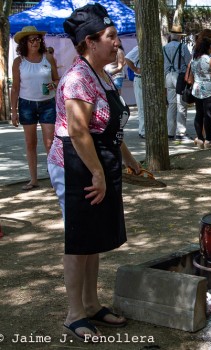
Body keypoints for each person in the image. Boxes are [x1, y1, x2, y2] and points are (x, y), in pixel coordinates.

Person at [47, 3, 141, 341]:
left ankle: (91, 304)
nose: (118, 42)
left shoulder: (102, 74)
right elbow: (78, 131)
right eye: (112, 37)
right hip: (76, 165)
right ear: (90, 41)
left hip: (98, 161)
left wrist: (127, 156)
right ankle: (74, 314)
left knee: (94, 239)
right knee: (79, 239)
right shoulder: (77, 79)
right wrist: (98, 175)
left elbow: (110, 124)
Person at [10, 26, 59, 190]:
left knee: (50, 142)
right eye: (32, 40)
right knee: (30, 142)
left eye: (38, 39)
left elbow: (57, 80)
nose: (35, 42)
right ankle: (34, 179)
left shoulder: (48, 58)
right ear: (24, 42)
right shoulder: (19, 62)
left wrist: (52, 85)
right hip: (26, 104)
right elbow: (15, 88)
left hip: (48, 104)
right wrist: (13, 111)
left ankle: (54, 177)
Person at [163, 24, 191, 141]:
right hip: (179, 76)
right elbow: (189, 62)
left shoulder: (164, 48)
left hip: (168, 76)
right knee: (181, 104)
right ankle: (181, 133)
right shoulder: (183, 47)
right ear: (179, 36)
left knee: (171, 105)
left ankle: (170, 132)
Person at [124, 46, 145, 138]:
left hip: (144, 79)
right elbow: (128, 58)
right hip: (140, 79)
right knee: (142, 106)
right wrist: (136, 69)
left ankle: (144, 129)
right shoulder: (139, 47)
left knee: (144, 106)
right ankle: (143, 131)